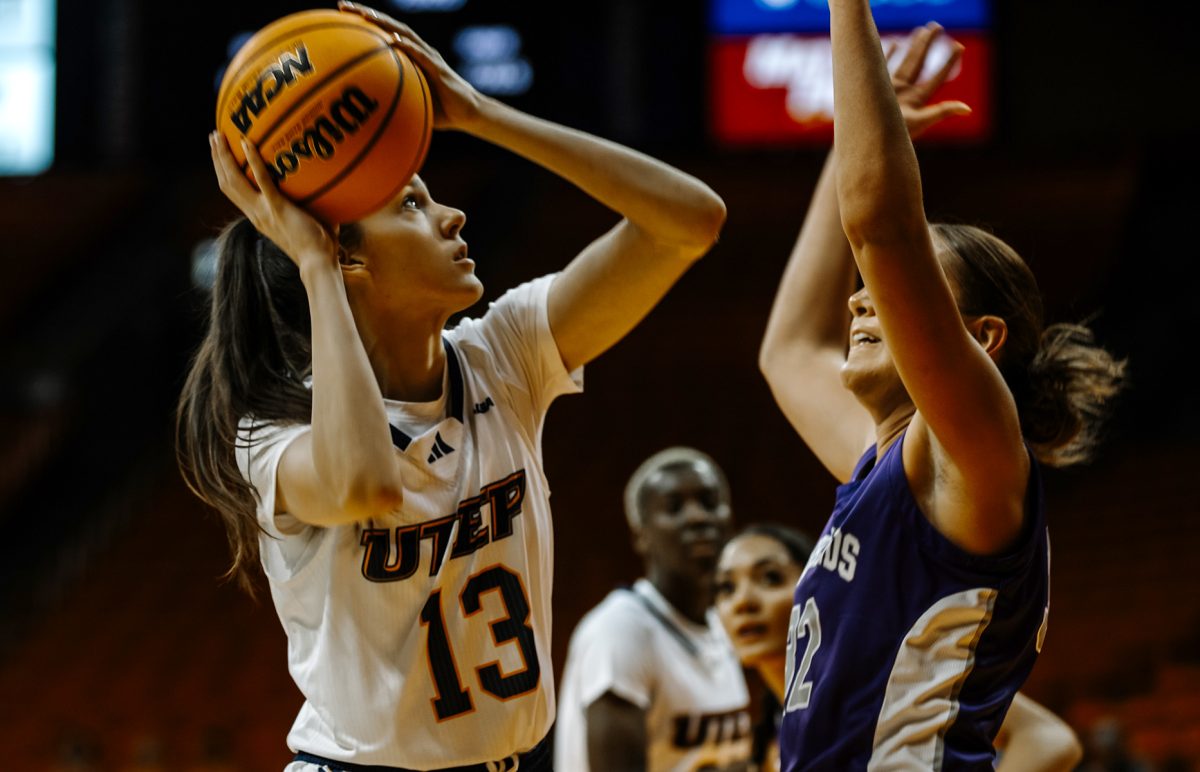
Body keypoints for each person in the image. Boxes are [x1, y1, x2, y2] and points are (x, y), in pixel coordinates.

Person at [175, 1, 727, 768]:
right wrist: (312, 262)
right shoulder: (273, 427)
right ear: (349, 258)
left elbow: (690, 221)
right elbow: (365, 480)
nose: (453, 214)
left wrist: (487, 115)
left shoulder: (507, 351)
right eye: (413, 205)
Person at [756, 9, 1125, 768]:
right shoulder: (888, 462)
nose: (862, 300)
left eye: (890, 296)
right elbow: (789, 349)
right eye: (865, 291)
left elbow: (884, 226)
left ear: (982, 341)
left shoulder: (977, 451)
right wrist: (846, 150)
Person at [714, 525, 1083, 772]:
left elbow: (1049, 738)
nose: (743, 601)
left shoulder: (877, 668)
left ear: (815, 584)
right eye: (726, 588)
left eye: (770, 578)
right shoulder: (764, 742)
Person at [555, 447, 751, 772]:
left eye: (709, 502)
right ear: (641, 536)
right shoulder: (620, 629)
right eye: (674, 508)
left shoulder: (721, 625)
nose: (697, 517)